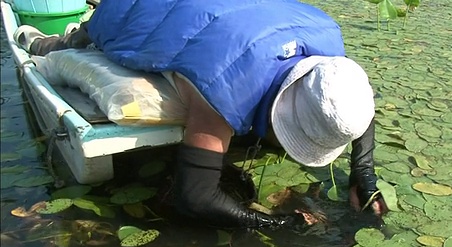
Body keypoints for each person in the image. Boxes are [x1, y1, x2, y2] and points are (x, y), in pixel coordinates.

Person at [14, 0, 388, 229]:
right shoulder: (224, 92)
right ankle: (38, 40)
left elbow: (354, 108)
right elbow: (195, 196)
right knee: (88, 36)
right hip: (150, 8)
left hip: (248, 17)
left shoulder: (333, 63)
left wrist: (364, 175)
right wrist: (277, 223)